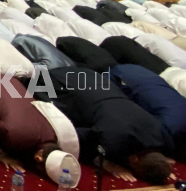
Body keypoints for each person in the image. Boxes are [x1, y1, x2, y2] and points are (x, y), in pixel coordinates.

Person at [41, 66, 172, 184]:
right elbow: (72, 136)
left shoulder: (158, 132)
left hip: (89, 74)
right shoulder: (114, 140)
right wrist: (104, 162)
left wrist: (161, 166)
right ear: (134, 159)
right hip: (58, 82)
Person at [0, 72, 81, 187]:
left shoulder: (54, 133)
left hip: (10, 80)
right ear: (38, 158)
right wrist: (0, 153)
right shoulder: (17, 136)